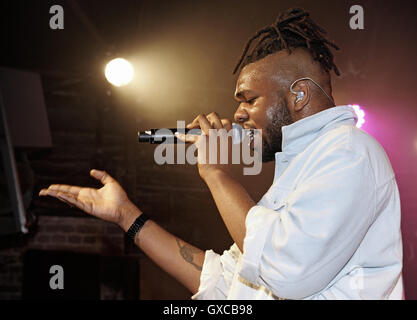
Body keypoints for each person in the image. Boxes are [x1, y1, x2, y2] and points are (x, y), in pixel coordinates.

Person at [39, 8, 403, 299]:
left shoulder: (349, 152)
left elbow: (286, 270)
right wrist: (126, 216)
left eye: (250, 99)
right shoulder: (297, 173)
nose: (239, 113)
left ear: (299, 95)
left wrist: (216, 174)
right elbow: (223, 283)